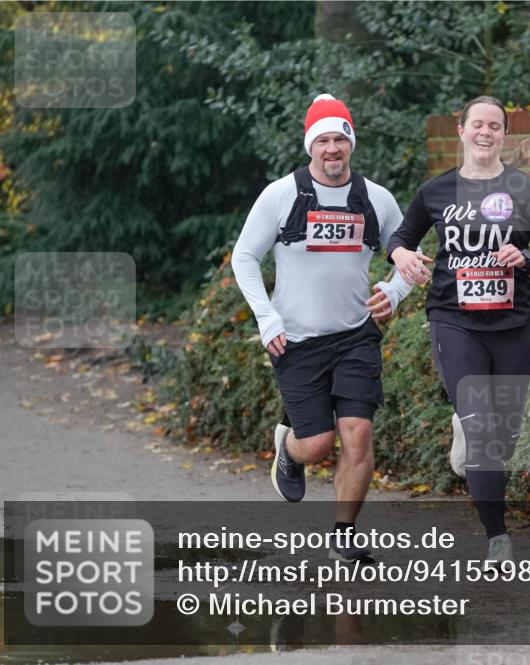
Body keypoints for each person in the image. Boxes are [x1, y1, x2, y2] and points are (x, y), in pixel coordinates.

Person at [232, 94, 412, 563]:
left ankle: (344, 535)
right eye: (324, 140)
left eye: (340, 139)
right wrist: (265, 315)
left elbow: (407, 257)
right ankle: (289, 449)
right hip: (296, 339)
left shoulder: (377, 199)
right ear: (311, 146)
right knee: (317, 445)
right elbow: (244, 256)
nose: (332, 149)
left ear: (351, 144)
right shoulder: (281, 195)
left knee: (358, 433)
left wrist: (393, 293)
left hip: (356, 336)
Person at [387, 96, 530, 563]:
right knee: (485, 430)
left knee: (503, 435)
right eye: (477, 125)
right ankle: (497, 538)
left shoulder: (525, 190)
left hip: (513, 324)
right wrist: (401, 257)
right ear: (461, 131)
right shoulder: (436, 191)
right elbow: (401, 239)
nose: (486, 133)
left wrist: (524, 257)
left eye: (495, 126)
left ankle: (466, 428)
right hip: (454, 319)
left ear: (503, 135)